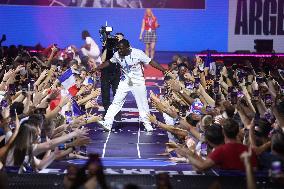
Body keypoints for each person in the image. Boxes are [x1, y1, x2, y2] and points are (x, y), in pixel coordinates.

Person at [96, 39, 167, 132]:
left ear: (127, 47)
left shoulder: (138, 53)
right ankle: (108, 123)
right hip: (125, 81)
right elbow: (109, 62)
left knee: (142, 104)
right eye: (118, 49)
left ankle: (147, 124)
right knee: (116, 102)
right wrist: (97, 68)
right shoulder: (117, 54)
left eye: (121, 49)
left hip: (138, 82)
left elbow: (150, 61)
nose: (119, 51)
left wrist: (163, 69)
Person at [100, 33, 124, 122]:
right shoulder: (108, 47)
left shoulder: (122, 49)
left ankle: (117, 114)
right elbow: (102, 60)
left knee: (117, 95)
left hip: (116, 74)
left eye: (120, 39)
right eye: (117, 38)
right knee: (105, 95)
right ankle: (107, 113)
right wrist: (107, 47)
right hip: (105, 73)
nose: (118, 40)